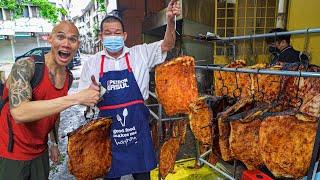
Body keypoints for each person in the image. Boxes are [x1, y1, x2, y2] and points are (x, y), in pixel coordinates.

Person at [78, 1, 181, 179]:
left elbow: (167, 45)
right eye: (108, 33)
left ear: (125, 35)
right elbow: (82, 101)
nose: (113, 36)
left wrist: (170, 21)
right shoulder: (92, 64)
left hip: (138, 135)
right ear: (101, 37)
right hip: (109, 138)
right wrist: (90, 98)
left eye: (117, 33)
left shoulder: (140, 54)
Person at [0, 21, 100, 180]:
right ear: (50, 39)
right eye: (61, 37)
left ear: (77, 45)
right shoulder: (25, 66)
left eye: (72, 39)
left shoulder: (68, 76)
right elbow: (19, 112)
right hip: (11, 152)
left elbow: (55, 111)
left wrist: (53, 143)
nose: (66, 43)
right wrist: (76, 98)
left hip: (40, 152)